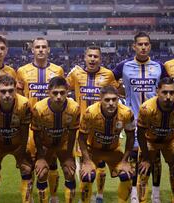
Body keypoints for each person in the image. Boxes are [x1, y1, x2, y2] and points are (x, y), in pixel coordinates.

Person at [113, 31, 167, 203]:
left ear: (150, 46)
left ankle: (156, 195)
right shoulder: (124, 66)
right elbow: (106, 80)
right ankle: (135, 194)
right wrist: (121, 94)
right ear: (134, 46)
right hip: (133, 121)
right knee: (134, 157)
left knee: (155, 158)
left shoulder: (159, 66)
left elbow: (168, 89)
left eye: (146, 44)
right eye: (140, 44)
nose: (143, 47)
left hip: (155, 121)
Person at [66, 45, 118, 202]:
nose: (93, 59)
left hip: (102, 128)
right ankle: (84, 198)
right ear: (84, 57)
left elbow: (116, 93)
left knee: (101, 164)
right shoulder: (76, 74)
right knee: (85, 164)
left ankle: (100, 196)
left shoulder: (108, 75)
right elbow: (63, 88)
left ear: (100, 59)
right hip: (81, 128)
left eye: (96, 56)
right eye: (90, 56)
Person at [17, 37, 64, 202]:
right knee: (28, 167)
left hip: (52, 127)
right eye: (38, 47)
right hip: (30, 127)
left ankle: (52, 197)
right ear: (32, 50)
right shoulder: (22, 71)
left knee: (51, 164)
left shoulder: (58, 70)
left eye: (44, 47)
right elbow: (20, 98)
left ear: (49, 49)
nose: (41, 50)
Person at [78, 85, 135, 203]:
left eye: (114, 99)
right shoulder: (90, 112)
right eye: (107, 100)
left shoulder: (127, 113)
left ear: (118, 99)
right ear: (100, 99)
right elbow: (82, 138)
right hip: (93, 150)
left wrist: (125, 160)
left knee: (127, 175)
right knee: (87, 176)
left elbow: (130, 137)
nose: (111, 103)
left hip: (113, 151)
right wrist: (87, 161)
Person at [137, 77, 174, 202]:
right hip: (150, 141)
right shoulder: (146, 108)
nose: (168, 96)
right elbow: (140, 134)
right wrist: (145, 158)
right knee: (144, 171)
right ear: (157, 91)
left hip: (170, 141)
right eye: (164, 92)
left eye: (172, 93)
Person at [0, 75, 33, 203]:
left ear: (16, 90)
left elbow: (25, 130)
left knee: (26, 168)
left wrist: (22, 151)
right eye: (3, 91)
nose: (7, 95)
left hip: (17, 144)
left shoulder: (24, 104)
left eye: (11, 90)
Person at [32, 76, 80, 203]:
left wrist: (69, 156)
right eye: (55, 93)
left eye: (62, 93)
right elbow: (36, 134)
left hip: (63, 144)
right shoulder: (39, 108)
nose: (59, 96)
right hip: (45, 145)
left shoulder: (74, 108)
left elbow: (72, 134)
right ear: (49, 92)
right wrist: (41, 158)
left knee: (70, 172)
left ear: (67, 92)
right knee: (42, 173)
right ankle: (48, 199)